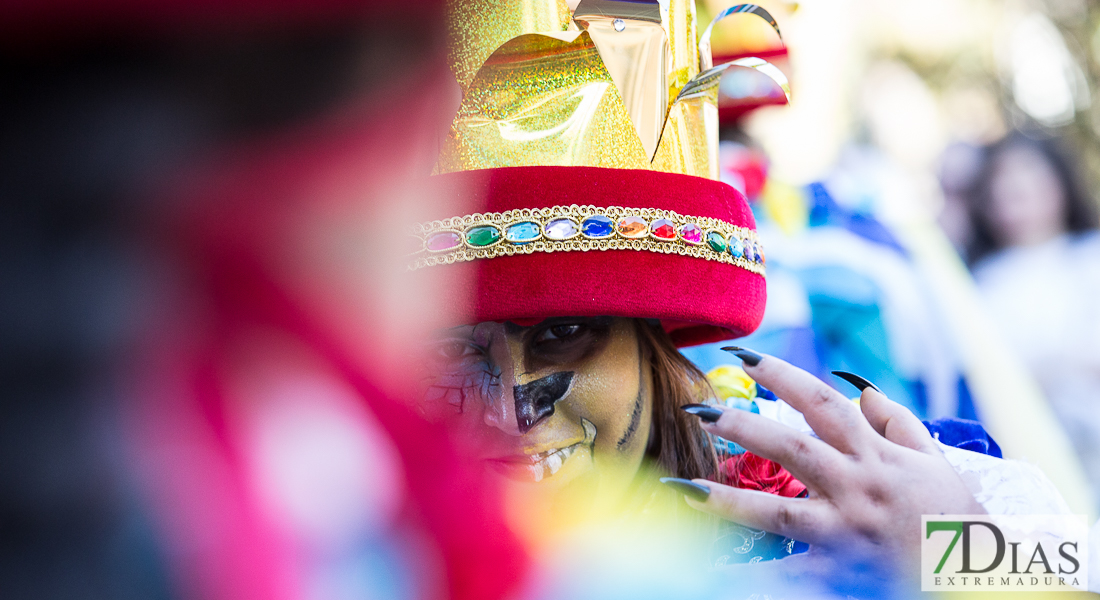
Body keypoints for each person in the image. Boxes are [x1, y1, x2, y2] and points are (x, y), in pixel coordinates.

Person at [406, 0, 1076, 589]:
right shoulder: (341, 538)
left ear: (649, 339)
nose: (509, 414)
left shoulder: (829, 485)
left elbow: (1069, 565)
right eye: (446, 354)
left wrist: (947, 550)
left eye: (560, 334)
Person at [965, 132, 1100, 510]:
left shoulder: (1090, 257)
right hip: (1029, 463)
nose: (1014, 206)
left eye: (1026, 190)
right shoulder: (983, 281)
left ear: (1059, 186)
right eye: (1002, 194)